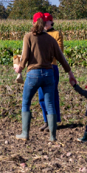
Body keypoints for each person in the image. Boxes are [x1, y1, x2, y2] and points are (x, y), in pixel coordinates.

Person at [15, 12, 75, 142]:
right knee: (50, 104)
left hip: (33, 74)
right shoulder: (50, 39)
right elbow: (61, 58)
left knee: (26, 103)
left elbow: (24, 56)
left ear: (33, 23)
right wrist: (70, 73)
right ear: (44, 24)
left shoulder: (28, 36)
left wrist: (19, 68)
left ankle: (25, 134)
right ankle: (52, 137)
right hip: (49, 74)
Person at [38, 12, 63, 131]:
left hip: (51, 67)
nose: (44, 23)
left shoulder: (56, 34)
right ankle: (46, 120)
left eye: (46, 21)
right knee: (42, 96)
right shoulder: (39, 34)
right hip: (40, 67)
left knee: (52, 95)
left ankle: (54, 120)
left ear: (51, 22)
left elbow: (58, 51)